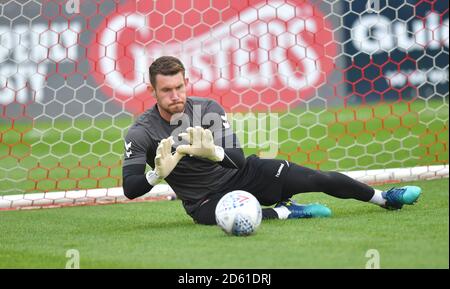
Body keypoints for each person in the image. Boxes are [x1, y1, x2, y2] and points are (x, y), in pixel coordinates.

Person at [122, 56, 421, 225]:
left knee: (316, 177)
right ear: (152, 91)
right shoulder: (141, 132)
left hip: (244, 174)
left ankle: (384, 198)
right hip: (204, 200)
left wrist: (212, 151)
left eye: (180, 87)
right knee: (222, 217)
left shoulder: (207, 108)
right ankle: (288, 211)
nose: (175, 96)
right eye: (166, 91)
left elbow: (236, 158)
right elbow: (131, 189)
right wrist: (157, 173)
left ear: (186, 82)